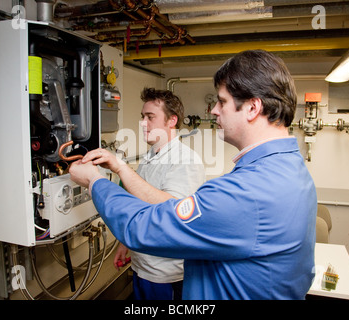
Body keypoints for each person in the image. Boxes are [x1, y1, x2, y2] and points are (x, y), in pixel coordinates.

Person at [70, 50, 317, 300]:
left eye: (222, 102)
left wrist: (95, 181)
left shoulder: (245, 191)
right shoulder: (290, 169)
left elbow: (143, 227)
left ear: (253, 107)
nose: (213, 110)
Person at [87, 88, 205, 300]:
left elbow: (173, 209)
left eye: (150, 117)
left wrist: (120, 167)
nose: (143, 122)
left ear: (172, 121)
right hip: (143, 263)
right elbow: (139, 202)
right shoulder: (151, 156)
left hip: (165, 272)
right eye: (142, 117)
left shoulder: (186, 160)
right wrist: (126, 244)